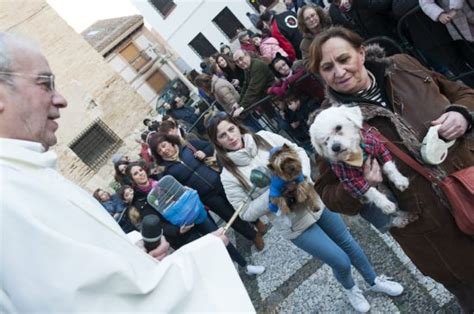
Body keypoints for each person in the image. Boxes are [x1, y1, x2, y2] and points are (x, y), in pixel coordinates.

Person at [0, 32, 255, 312]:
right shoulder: (10, 198)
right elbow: (94, 302)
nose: (61, 100)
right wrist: (204, 255)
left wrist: (132, 251)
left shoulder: (26, 175)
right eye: (44, 84)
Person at [307, 26, 474, 312]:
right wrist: (361, 186)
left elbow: (463, 93)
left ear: (361, 53)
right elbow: (326, 193)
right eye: (327, 67)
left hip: (469, 183)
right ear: (320, 74)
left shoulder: (403, 66)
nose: (339, 71)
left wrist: (461, 113)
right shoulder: (328, 123)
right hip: (435, 234)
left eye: (344, 59)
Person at [206, 113, 405, 312]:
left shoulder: (265, 137)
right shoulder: (229, 175)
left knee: (348, 243)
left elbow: (298, 151)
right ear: (217, 143)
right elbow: (246, 213)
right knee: (340, 260)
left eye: (231, 129)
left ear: (237, 126)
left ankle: (373, 281)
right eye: (222, 136)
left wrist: (301, 175)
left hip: (314, 201)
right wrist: (275, 191)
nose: (230, 137)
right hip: (293, 223)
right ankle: (351, 289)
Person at [124, 162, 266, 274]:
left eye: (140, 170)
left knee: (221, 238)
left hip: (195, 213)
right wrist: (178, 230)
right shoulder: (140, 202)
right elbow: (158, 225)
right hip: (182, 231)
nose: (140, 174)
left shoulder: (161, 180)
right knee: (207, 253)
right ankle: (227, 276)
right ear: (133, 180)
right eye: (136, 174)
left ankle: (245, 266)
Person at [148, 132, 266, 251]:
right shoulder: (165, 170)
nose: (163, 150)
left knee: (240, 204)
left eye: (164, 145)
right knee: (230, 217)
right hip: (207, 196)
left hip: (220, 182)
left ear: (170, 141)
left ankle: (257, 222)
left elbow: (210, 146)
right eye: (159, 150)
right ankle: (253, 236)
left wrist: (204, 153)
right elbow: (173, 191)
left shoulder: (187, 147)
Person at [233, 49, 275, 130]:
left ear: (247, 55)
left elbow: (252, 90)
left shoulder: (256, 66)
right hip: (267, 99)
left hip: (275, 98)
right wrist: (238, 104)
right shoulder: (248, 68)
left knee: (285, 123)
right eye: (237, 62)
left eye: (241, 59)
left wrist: (242, 107)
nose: (240, 63)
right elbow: (246, 86)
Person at [297, 4, 332, 69]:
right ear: (304, 23)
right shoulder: (304, 45)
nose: (311, 19)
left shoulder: (332, 28)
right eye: (307, 19)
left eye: (313, 15)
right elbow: (308, 65)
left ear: (318, 15)